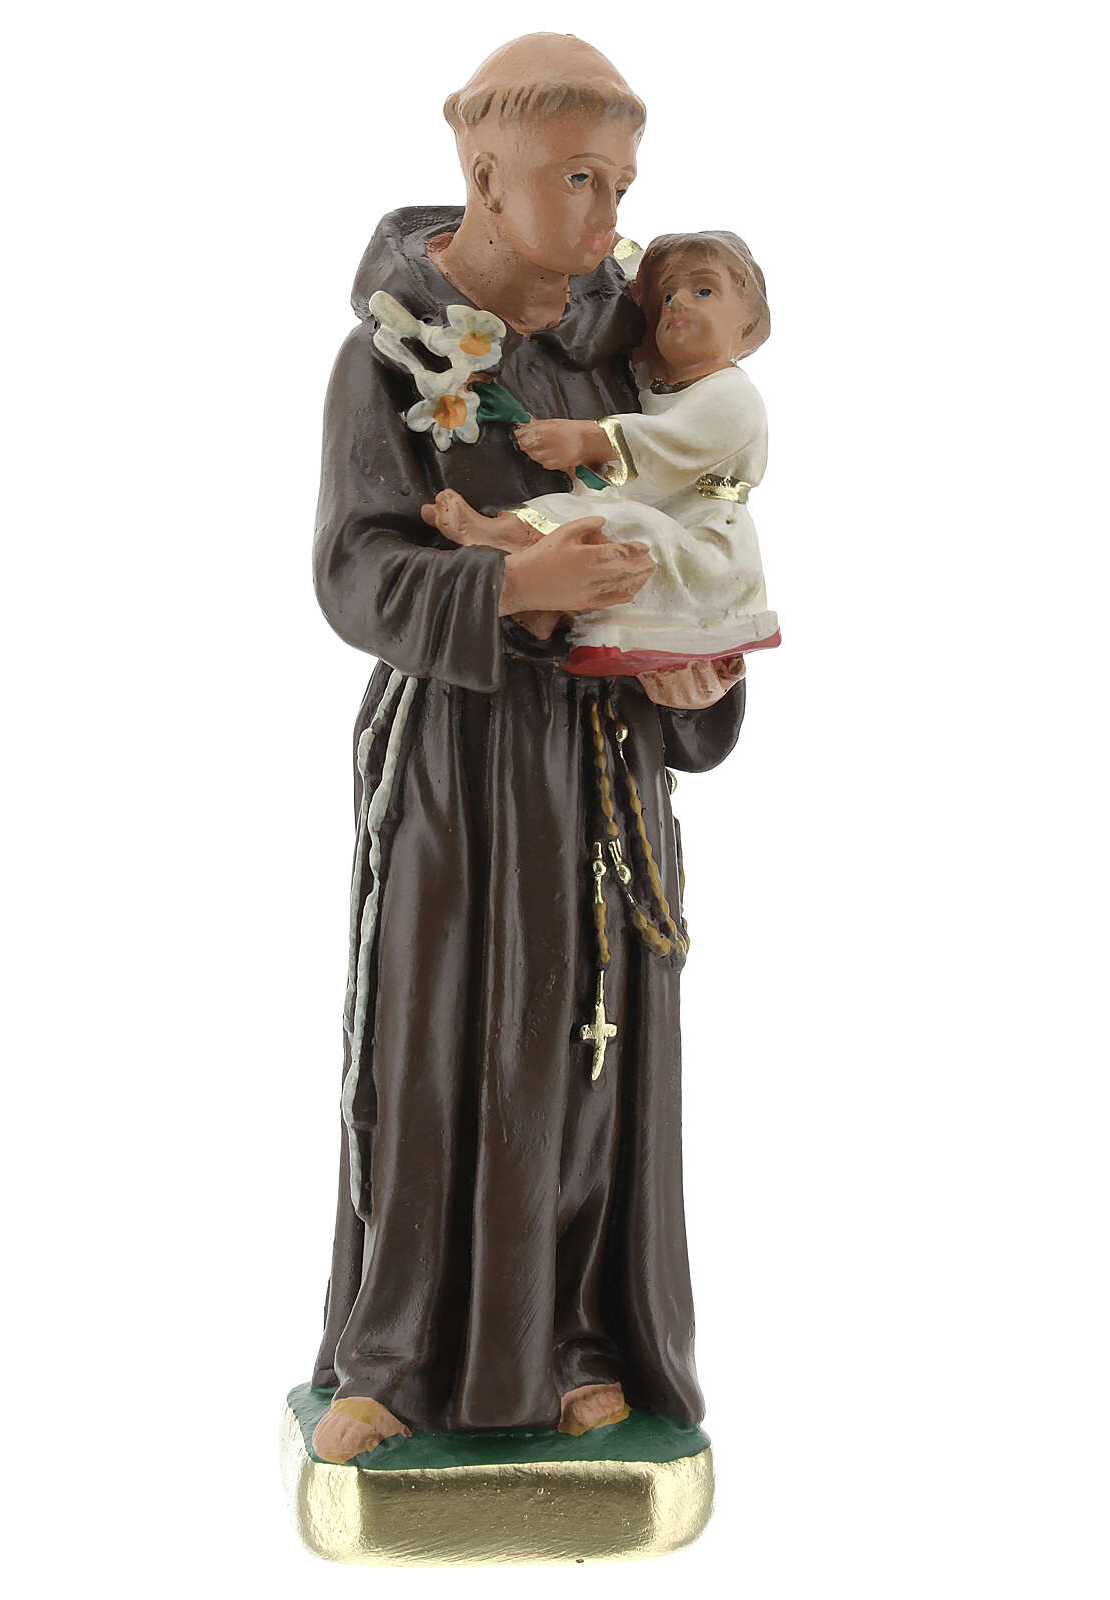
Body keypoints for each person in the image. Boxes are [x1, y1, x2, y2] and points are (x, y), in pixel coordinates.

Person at [309, 34, 748, 1465]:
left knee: (583, 1051)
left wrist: (694, 666)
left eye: (619, 181)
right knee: (434, 1040)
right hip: (459, 760)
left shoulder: (622, 359)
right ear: (482, 171)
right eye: (576, 178)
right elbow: (355, 569)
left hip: (600, 760)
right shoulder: (392, 356)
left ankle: (570, 1340)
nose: (609, 211)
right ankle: (394, 1354)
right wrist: (508, 588)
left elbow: (702, 528)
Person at [423, 230, 780, 676]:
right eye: (668, 299)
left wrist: (589, 440)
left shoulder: (733, 393)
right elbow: (636, 287)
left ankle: (534, 580)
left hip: (707, 544)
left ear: (746, 323)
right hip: (665, 517)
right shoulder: (656, 384)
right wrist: (616, 249)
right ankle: (500, 541)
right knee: (581, 509)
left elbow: (676, 440)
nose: (678, 304)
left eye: (703, 291)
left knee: (623, 526)